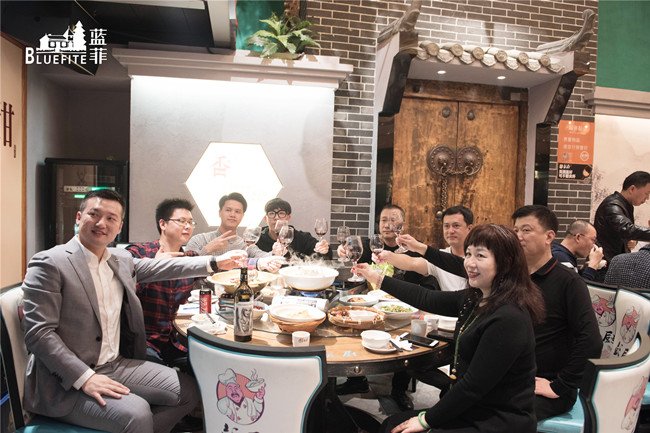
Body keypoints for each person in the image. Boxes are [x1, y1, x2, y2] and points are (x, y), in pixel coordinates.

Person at [21, 190, 241, 433]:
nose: (102, 223)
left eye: (111, 218)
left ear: (120, 226)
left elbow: (165, 267)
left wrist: (215, 262)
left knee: (188, 393)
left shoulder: (120, 259)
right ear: (79, 217)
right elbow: (38, 333)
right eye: (94, 214)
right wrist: (85, 377)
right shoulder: (50, 262)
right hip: (63, 381)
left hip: (114, 364)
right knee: (137, 413)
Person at [356, 224, 546, 433]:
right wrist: (376, 278)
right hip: (472, 407)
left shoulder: (509, 317)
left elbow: (473, 387)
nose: (469, 263)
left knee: (396, 428)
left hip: (498, 419)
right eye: (468, 254)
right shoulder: (476, 298)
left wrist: (426, 420)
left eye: (480, 256)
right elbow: (426, 297)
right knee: (391, 424)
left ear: (506, 262)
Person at [335, 204, 438, 411]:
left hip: (403, 307)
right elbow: (349, 255)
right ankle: (357, 380)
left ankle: (398, 390)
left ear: (402, 224)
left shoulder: (412, 249)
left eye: (393, 220)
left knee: (407, 338)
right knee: (353, 324)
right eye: (384, 220)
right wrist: (342, 251)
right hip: (371, 304)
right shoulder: (369, 246)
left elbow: (430, 283)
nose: (388, 225)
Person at [512, 205, 602, 420]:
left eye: (526, 230)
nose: (518, 236)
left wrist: (560, 385)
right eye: (515, 230)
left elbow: (591, 341)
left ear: (549, 236)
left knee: (497, 419)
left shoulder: (569, 281)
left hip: (546, 384)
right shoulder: (512, 277)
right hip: (511, 378)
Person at [126, 198, 228, 371]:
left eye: (191, 222)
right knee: (166, 377)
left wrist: (257, 264)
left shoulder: (189, 258)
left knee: (212, 367)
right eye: (181, 221)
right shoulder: (138, 252)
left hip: (175, 341)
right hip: (144, 341)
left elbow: (220, 274)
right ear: (163, 224)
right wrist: (154, 266)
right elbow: (124, 295)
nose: (188, 226)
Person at [186, 192, 283, 272]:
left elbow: (263, 257)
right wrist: (207, 249)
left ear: (242, 216)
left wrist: (275, 252)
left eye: (237, 211)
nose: (232, 214)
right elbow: (186, 267)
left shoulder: (244, 245)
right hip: (203, 289)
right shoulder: (199, 239)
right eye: (228, 210)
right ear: (220, 212)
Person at [384, 205, 473, 292]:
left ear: (469, 228)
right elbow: (412, 263)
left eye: (456, 226)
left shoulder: (477, 256)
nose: (450, 231)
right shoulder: (440, 256)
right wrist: (385, 255)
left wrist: (417, 246)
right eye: (446, 226)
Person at [594, 171, 650, 270]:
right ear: (632, 189)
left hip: (615, 263)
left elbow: (625, 231)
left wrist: (633, 240)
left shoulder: (625, 205)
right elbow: (626, 229)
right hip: (605, 265)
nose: (647, 198)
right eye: (647, 193)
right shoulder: (612, 205)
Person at [255, 198, 332, 259]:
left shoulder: (301, 237)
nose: (276, 217)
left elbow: (325, 257)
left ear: (288, 218)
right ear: (265, 219)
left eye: (281, 213)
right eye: (271, 213)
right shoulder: (257, 238)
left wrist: (324, 250)